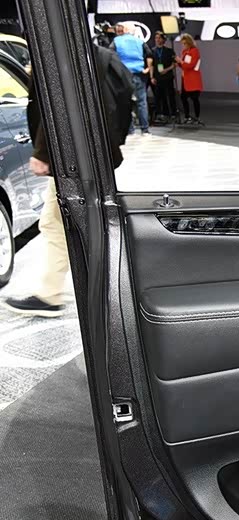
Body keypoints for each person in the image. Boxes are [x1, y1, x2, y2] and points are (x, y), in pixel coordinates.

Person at [4, 46, 126, 317]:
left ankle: (53, 295)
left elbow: (58, 105)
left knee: (57, 222)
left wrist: (42, 153)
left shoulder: (53, 46)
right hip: (89, 152)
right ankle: (77, 289)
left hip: (71, 157)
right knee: (72, 222)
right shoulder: (85, 50)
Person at [111, 21, 152, 134]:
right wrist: (147, 68)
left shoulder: (116, 41)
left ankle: (129, 130)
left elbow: (110, 54)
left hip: (123, 75)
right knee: (142, 102)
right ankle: (145, 129)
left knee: (125, 102)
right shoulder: (140, 41)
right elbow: (149, 54)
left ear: (124, 30)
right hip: (139, 74)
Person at [150, 31, 177, 124]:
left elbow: (174, 64)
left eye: (159, 38)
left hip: (168, 76)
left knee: (170, 95)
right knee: (158, 96)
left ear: (163, 40)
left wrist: (167, 69)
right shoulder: (152, 51)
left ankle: (173, 113)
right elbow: (151, 65)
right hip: (157, 77)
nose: (157, 40)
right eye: (156, 38)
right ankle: (161, 114)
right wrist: (151, 77)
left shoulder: (169, 51)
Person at [177, 33, 203, 124]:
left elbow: (191, 65)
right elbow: (184, 66)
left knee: (195, 99)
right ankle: (187, 116)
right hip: (185, 79)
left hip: (193, 79)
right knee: (183, 98)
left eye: (185, 43)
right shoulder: (184, 52)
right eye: (183, 43)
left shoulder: (194, 51)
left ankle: (197, 117)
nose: (183, 45)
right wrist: (179, 63)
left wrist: (180, 61)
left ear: (189, 43)